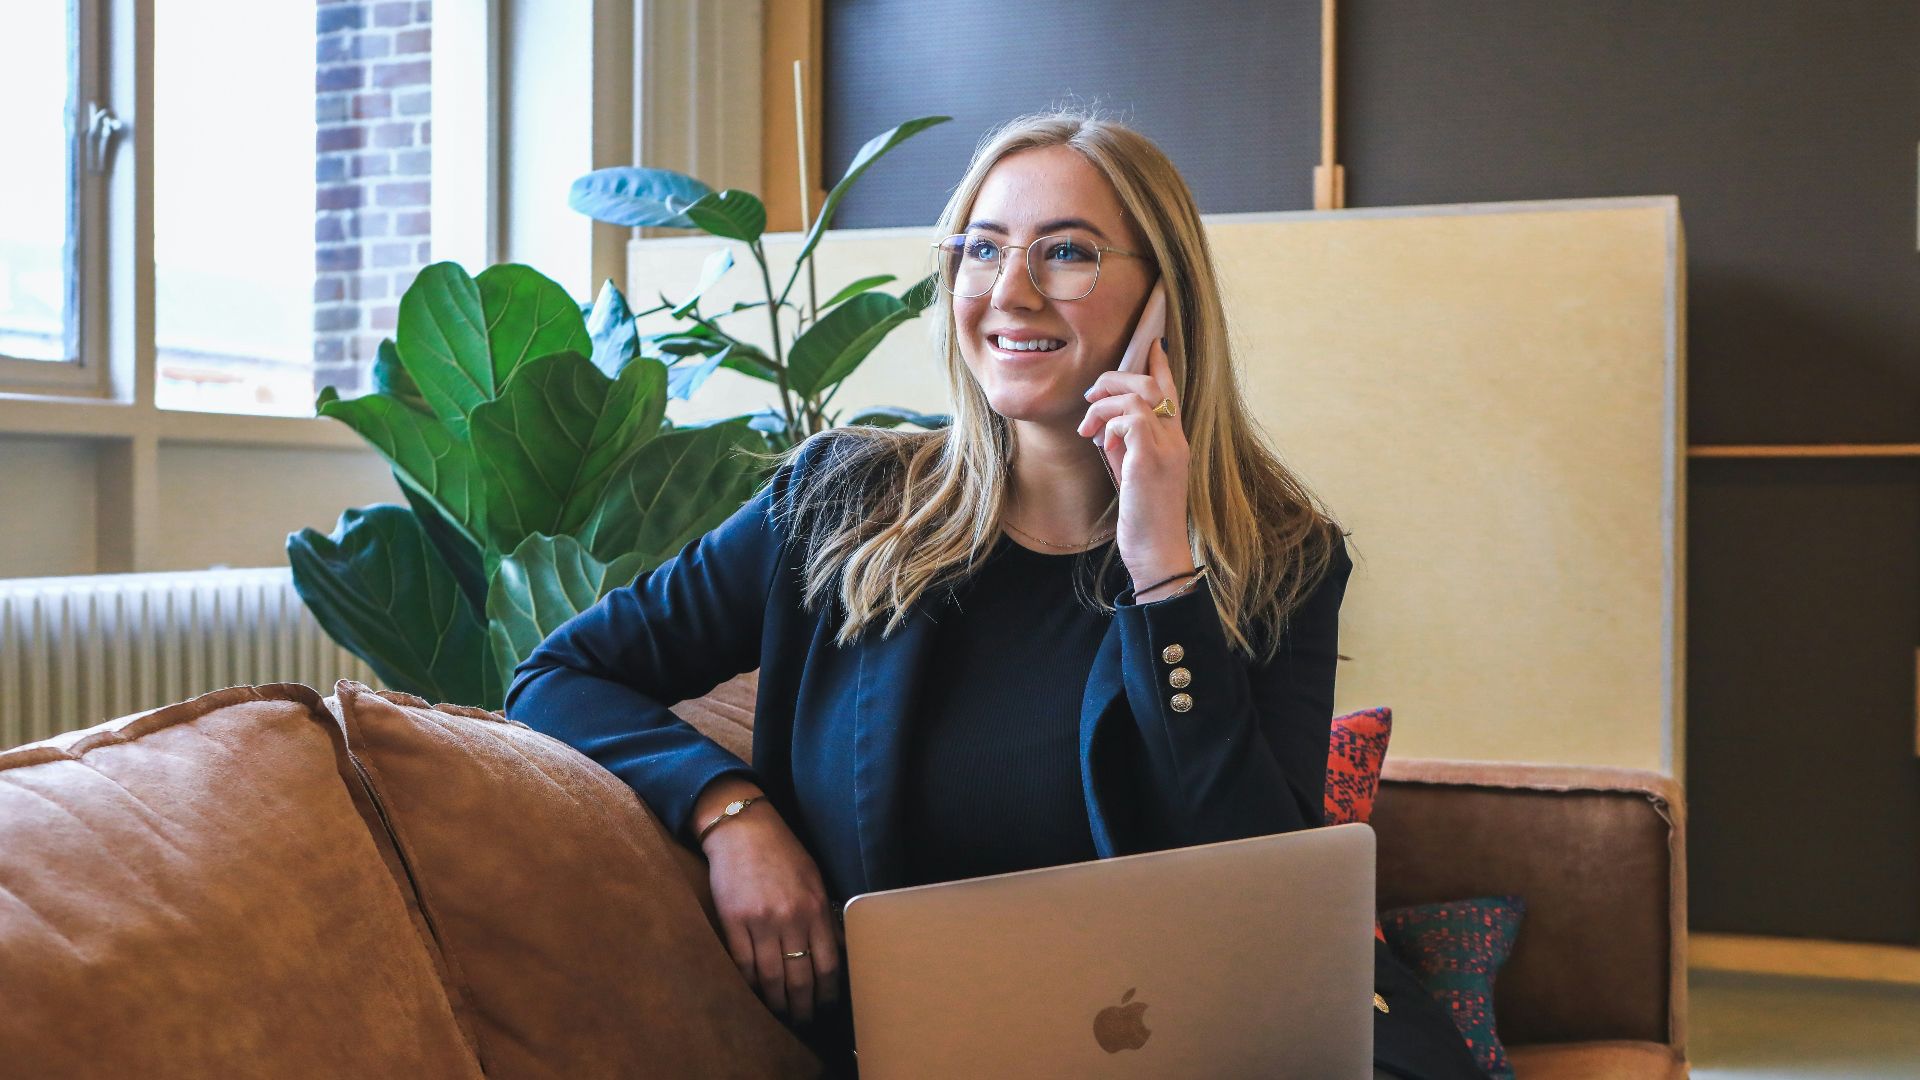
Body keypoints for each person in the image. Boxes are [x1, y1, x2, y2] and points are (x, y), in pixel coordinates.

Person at [505, 109, 1487, 1080]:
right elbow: (559, 674)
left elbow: (1265, 901)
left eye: (1066, 253)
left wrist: (1164, 573)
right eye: (983, 249)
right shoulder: (838, 504)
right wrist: (729, 811)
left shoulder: (1279, 559)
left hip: (1227, 1051)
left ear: (1163, 300)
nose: (1011, 292)